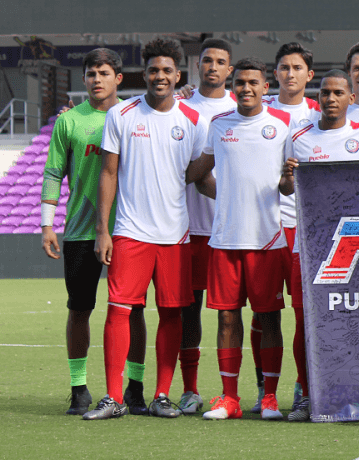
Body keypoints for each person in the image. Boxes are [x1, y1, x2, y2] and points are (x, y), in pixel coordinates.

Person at [85, 38, 209, 420]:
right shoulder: (121, 115)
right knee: (118, 311)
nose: (160, 76)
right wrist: (103, 230)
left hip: (174, 236)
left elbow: (196, 175)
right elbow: (108, 173)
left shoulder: (194, 120)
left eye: (167, 70)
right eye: (153, 69)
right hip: (129, 232)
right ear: (145, 73)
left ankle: (160, 396)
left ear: (178, 75)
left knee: (172, 314)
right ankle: (112, 397)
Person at [188, 57, 295, 421]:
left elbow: (287, 185)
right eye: (241, 83)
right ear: (234, 87)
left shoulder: (283, 124)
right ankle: (229, 399)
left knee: (269, 321)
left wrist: (289, 179)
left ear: (266, 88)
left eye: (254, 83)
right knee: (227, 321)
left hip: (267, 240)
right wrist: (231, 196)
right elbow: (199, 176)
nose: (246, 88)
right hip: (226, 239)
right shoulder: (218, 125)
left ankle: (268, 399)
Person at [284, 70, 359, 421]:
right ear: (317, 97)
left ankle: (357, 392)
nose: (331, 99)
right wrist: (286, 176)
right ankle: (306, 394)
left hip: (355, 249)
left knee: (356, 321)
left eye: (339, 92)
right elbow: (284, 189)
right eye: (325, 93)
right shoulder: (299, 137)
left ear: (351, 98)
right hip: (309, 246)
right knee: (304, 323)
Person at [40, 48, 125, 416]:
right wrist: (47, 223)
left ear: (118, 78)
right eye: (91, 73)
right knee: (79, 310)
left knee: (130, 310)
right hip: (78, 231)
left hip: (126, 229)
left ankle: (132, 388)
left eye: (103, 73)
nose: (96, 79)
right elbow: (53, 173)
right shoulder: (69, 121)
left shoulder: (131, 117)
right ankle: (78, 389)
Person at [252, 42, 320, 414]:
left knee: (300, 314)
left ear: (309, 75)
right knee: (263, 312)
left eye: (297, 68)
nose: (290, 73)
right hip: (264, 223)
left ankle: (302, 386)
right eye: (283, 67)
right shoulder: (257, 111)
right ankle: (265, 387)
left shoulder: (321, 111)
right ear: (273, 74)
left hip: (305, 227)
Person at [174, 37, 237, 416]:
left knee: (240, 314)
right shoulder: (180, 107)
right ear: (198, 66)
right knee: (189, 312)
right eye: (207, 60)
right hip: (190, 229)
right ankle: (190, 389)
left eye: (220, 62)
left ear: (230, 69)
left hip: (233, 231)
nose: (212, 66)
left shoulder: (244, 107)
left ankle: (259, 390)